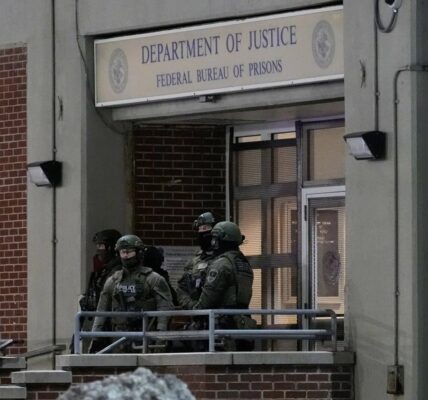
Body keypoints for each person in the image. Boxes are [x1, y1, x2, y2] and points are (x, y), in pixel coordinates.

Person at [90, 234, 174, 353]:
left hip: (146, 337)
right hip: (119, 338)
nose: (126, 256)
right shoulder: (113, 280)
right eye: (123, 252)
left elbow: (164, 310)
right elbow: (101, 311)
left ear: (139, 253)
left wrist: (160, 337)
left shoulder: (153, 279)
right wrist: (95, 338)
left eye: (129, 252)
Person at [189, 221, 256, 350]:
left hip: (222, 326)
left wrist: (195, 311)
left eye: (215, 239)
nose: (213, 243)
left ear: (223, 240)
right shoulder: (243, 263)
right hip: (243, 323)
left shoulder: (221, 264)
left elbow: (208, 297)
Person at [176, 211, 216, 310]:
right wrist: (192, 306)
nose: (203, 237)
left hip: (219, 313)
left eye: (206, 232)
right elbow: (181, 289)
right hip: (199, 313)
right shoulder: (194, 261)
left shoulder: (224, 259)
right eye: (200, 232)